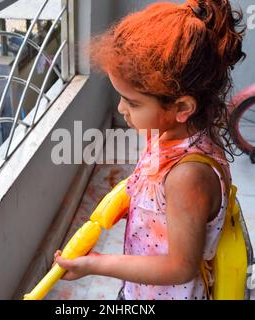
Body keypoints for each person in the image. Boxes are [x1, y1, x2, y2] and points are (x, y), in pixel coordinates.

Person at [53, 0, 246, 300]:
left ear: (182, 106)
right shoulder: (170, 132)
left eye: (132, 102)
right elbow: (156, 195)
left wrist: (97, 264)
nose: (121, 109)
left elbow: (180, 267)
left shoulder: (189, 176)